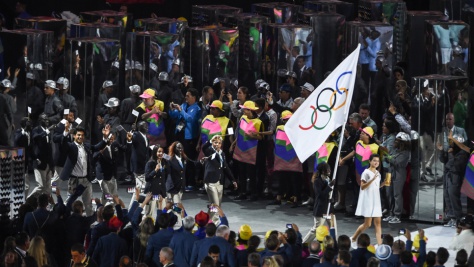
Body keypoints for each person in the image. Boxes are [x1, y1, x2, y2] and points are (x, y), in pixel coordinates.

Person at [60, 124, 110, 216]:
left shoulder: (86, 146)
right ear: (74, 136)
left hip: (86, 180)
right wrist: (66, 132)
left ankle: (89, 221)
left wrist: (105, 138)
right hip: (74, 180)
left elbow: (96, 147)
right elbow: (63, 144)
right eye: (78, 135)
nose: (80, 137)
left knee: (88, 202)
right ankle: (65, 218)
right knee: (70, 202)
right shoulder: (71, 146)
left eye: (82, 135)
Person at [169, 88, 201, 191]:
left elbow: (190, 119)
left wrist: (181, 110)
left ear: (194, 97)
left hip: (189, 137)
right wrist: (172, 109)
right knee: (179, 158)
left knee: (188, 159)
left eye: (188, 96)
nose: (185, 97)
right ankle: (181, 182)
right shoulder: (183, 105)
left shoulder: (197, 108)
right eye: (186, 95)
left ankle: (191, 182)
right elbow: (174, 116)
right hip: (179, 134)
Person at [351, 154, 388, 245]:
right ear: (370, 161)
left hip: (376, 200)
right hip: (368, 200)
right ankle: (354, 238)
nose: (376, 163)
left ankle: (380, 245)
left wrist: (383, 184)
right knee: (367, 224)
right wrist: (371, 180)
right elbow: (363, 186)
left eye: (378, 161)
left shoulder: (378, 173)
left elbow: (375, 187)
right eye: (374, 160)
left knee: (378, 223)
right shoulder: (366, 172)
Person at [232, 101, 263, 201]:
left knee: (251, 174)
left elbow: (261, 137)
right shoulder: (242, 118)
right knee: (242, 173)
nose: (243, 111)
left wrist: (252, 135)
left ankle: (253, 193)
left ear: (250, 111)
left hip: (251, 151)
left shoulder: (258, 122)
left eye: (245, 109)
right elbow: (240, 133)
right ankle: (243, 192)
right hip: (241, 149)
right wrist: (233, 143)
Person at [201, 135, 237, 207]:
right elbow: (204, 148)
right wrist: (210, 141)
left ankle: (211, 217)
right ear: (212, 143)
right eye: (215, 142)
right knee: (215, 204)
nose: (217, 144)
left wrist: (233, 180)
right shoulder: (209, 151)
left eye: (219, 143)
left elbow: (226, 168)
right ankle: (214, 218)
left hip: (220, 182)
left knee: (216, 205)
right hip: (211, 182)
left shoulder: (222, 154)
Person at [303, 162, 334, 243]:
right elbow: (320, 195)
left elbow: (328, 194)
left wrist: (331, 199)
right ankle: (304, 243)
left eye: (329, 169)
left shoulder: (328, 180)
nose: (329, 171)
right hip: (321, 209)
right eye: (327, 170)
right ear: (323, 171)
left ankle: (335, 243)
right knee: (317, 228)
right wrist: (329, 186)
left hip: (328, 209)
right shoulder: (317, 181)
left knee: (333, 227)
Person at [384, 132, 411, 224]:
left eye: (397, 140)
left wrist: (389, 157)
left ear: (402, 142)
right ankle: (390, 213)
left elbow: (398, 162)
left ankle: (397, 215)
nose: (394, 142)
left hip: (399, 174)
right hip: (389, 172)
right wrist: (388, 157)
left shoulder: (405, 153)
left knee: (397, 194)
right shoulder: (394, 150)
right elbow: (387, 158)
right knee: (388, 193)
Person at [28, 114, 54, 199]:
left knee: (48, 188)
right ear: (40, 121)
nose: (47, 121)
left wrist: (51, 164)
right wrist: (46, 131)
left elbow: (49, 148)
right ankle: (28, 200)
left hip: (48, 163)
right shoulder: (36, 130)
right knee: (41, 186)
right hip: (39, 162)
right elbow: (35, 138)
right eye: (45, 119)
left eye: (47, 119)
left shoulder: (47, 131)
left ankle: (45, 205)